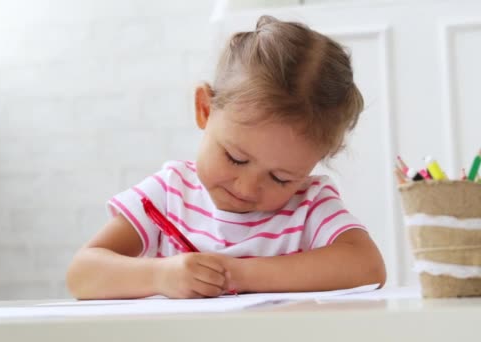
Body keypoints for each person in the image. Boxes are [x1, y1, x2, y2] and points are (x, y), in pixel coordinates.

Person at [66, 15, 386, 300]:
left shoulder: (309, 203)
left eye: (280, 178)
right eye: (235, 158)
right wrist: (161, 276)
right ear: (205, 109)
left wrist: (237, 273)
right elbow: (82, 274)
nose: (247, 188)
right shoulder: (168, 194)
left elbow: (367, 265)